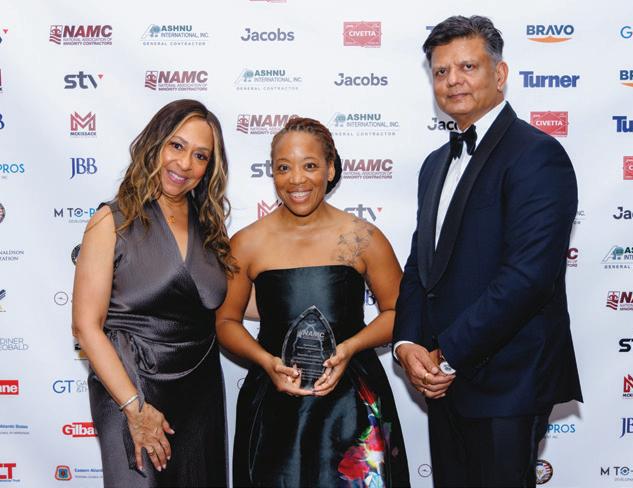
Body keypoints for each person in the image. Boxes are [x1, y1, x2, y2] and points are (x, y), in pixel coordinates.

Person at [392, 15, 582, 488]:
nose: (453, 80)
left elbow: (528, 278)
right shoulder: (435, 164)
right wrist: (407, 343)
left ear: (499, 74)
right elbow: (420, 265)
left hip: (507, 383)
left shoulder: (536, 154)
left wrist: (446, 354)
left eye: (467, 66)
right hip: (443, 384)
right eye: (441, 71)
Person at [216, 117, 410, 487]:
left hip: (351, 403)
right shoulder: (246, 242)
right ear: (272, 172)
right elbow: (225, 321)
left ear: (330, 168)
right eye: (283, 168)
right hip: (273, 405)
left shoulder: (362, 237)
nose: (296, 180)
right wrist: (266, 362)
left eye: (309, 165)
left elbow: (398, 311)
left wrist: (350, 347)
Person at [72, 99, 232, 488]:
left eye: (200, 156)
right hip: (132, 390)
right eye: (176, 146)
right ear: (154, 144)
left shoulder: (210, 228)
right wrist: (135, 408)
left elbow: (231, 303)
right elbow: (85, 327)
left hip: (201, 395)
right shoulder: (110, 221)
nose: (185, 164)